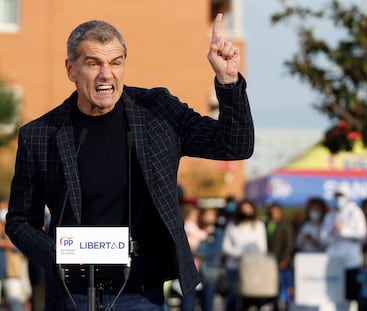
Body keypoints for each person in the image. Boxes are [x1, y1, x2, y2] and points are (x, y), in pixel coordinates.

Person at [5, 13, 254, 311]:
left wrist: (228, 82)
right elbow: (20, 222)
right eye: (93, 63)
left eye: (115, 62)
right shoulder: (40, 135)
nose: (106, 74)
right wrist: (61, 256)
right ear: (71, 69)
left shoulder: (159, 112)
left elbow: (234, 146)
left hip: (141, 294)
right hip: (72, 296)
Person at [319, 184, 367, 309]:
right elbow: (322, 238)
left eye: (341, 196)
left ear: (347, 197)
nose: (338, 199)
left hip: (351, 262)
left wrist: (344, 231)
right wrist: (332, 232)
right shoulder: (330, 215)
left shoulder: (355, 212)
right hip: (334, 263)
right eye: (336, 196)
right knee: (334, 296)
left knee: (352, 296)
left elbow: (362, 235)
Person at [222, 199, 267, 311]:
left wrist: (248, 255)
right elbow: (225, 247)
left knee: (250, 297)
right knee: (232, 296)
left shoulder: (258, 225)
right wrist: (239, 254)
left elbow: (262, 248)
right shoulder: (232, 225)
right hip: (234, 267)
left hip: (252, 268)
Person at [266, 202, 295, 310]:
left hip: (282, 262)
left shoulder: (286, 224)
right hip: (270, 261)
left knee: (285, 288)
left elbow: (289, 243)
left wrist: (286, 259)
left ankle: (286, 307)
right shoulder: (268, 223)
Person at [0, 195, 26, 311]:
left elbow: (21, 247)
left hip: (12, 271)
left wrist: (6, 244)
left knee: (16, 303)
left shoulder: (13, 226)